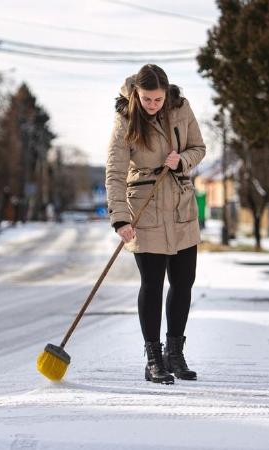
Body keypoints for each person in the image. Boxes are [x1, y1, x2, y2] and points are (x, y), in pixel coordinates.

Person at [105, 64, 206, 384]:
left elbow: (198, 148)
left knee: (183, 281)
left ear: (167, 94)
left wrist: (183, 160)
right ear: (137, 94)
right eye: (147, 99)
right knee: (152, 284)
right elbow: (115, 172)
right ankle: (153, 358)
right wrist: (120, 218)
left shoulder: (181, 108)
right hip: (144, 209)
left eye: (158, 99)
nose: (153, 105)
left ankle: (174, 354)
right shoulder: (125, 119)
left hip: (180, 205)